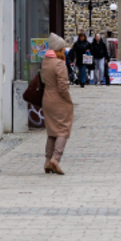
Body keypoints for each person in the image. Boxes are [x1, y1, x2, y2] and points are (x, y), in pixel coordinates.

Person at [41, 33, 74, 175]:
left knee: (52, 131)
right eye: (63, 49)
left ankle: (47, 161)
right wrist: (68, 99)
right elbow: (62, 87)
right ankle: (56, 159)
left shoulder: (45, 62)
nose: (64, 51)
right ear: (59, 49)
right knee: (62, 130)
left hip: (47, 98)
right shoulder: (59, 64)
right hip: (58, 100)